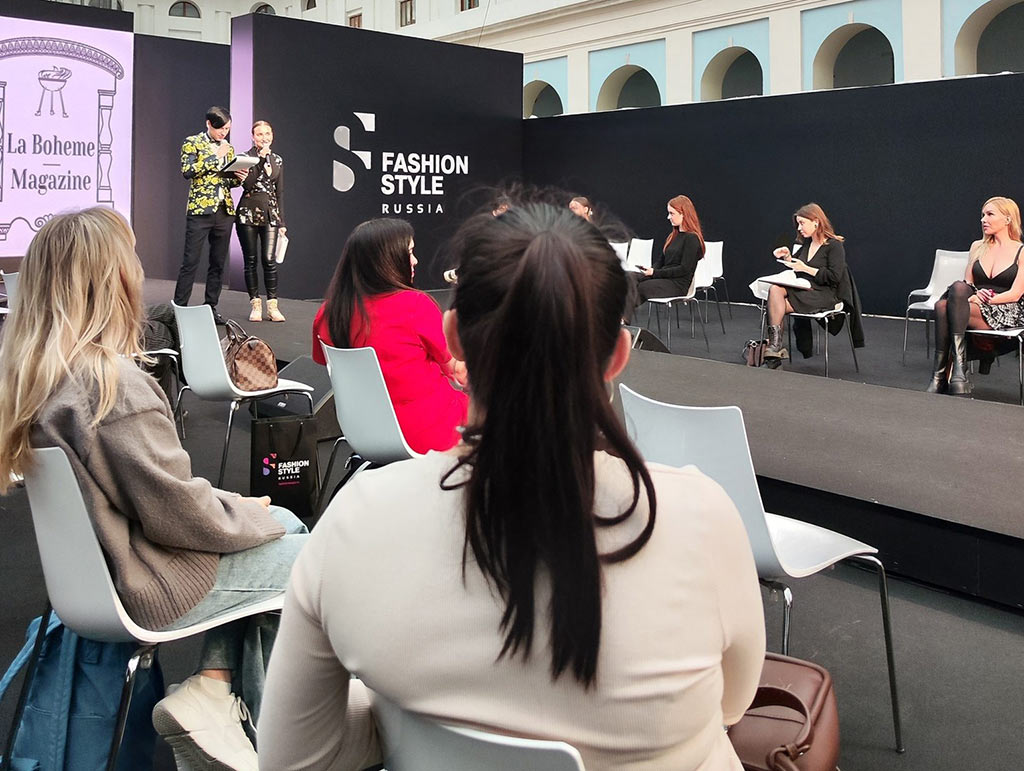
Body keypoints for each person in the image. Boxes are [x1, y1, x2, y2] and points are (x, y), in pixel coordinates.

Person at [262, 204, 765, 771]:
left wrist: (400, 712)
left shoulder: (354, 523)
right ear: (618, 356)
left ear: (454, 334)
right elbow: (732, 704)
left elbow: (293, 758)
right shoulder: (700, 519)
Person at [0, 208, 307, 771]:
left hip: (103, 573)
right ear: (114, 279)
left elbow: (158, 499)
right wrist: (247, 512)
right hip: (150, 577)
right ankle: (257, 729)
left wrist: (245, 509)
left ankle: (217, 690)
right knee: (311, 557)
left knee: (280, 523)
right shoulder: (111, 386)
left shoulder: (37, 380)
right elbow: (179, 513)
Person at [311, 218, 468, 454]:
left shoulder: (327, 313)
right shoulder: (416, 306)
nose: (415, 260)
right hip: (427, 432)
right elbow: (457, 372)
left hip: (361, 433)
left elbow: (323, 361)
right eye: (410, 252)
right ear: (386, 260)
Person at [926, 196, 1024, 395]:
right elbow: (968, 284)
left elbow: (1015, 294)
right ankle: (953, 373)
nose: (983, 219)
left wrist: (986, 300)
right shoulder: (977, 246)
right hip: (974, 304)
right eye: (982, 215)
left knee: (944, 306)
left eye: (990, 214)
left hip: (1008, 308)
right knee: (949, 299)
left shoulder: (1021, 251)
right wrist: (974, 297)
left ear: (1007, 219)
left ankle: (944, 374)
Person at [173, 106, 246, 325]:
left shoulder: (228, 147)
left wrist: (238, 178)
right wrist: (215, 156)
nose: (224, 133)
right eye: (220, 128)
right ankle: (180, 308)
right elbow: (188, 171)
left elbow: (226, 180)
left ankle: (211, 307)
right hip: (200, 210)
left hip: (224, 210)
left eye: (227, 129)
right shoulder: (192, 142)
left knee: (218, 262)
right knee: (190, 261)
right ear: (208, 124)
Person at [768, 203, 849, 360]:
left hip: (824, 294)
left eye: (802, 223)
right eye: (798, 224)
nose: (799, 228)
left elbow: (834, 277)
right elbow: (798, 267)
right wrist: (787, 257)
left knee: (776, 306)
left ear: (816, 222)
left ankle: (773, 349)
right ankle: (774, 347)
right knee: (775, 289)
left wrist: (806, 269)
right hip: (806, 289)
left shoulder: (834, 246)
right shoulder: (807, 243)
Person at [236, 120, 287, 323]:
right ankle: (255, 304)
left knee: (269, 259)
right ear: (253, 137)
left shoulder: (278, 160)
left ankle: (272, 306)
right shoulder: (245, 158)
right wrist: (260, 159)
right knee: (250, 260)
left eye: (267, 133)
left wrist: (282, 222)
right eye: (259, 134)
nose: (264, 137)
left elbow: (279, 191)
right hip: (247, 213)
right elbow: (247, 184)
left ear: (272, 135)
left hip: (270, 214)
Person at [634, 195, 705, 309]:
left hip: (677, 284)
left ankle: (619, 316)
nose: (668, 217)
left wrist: (655, 273)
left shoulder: (692, 238)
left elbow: (684, 269)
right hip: (664, 278)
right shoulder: (672, 237)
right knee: (629, 278)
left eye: (672, 214)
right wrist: (650, 271)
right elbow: (661, 261)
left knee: (643, 287)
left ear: (683, 214)